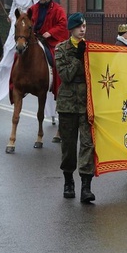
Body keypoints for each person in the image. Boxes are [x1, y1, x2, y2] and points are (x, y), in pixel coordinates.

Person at [55, 13, 95, 203]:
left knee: (87, 144)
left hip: (87, 102)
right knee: (69, 145)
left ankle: (86, 187)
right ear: (71, 29)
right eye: (79, 26)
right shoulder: (61, 49)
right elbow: (66, 76)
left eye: (84, 26)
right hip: (68, 103)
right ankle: (68, 181)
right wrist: (78, 58)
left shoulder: (92, 48)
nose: (82, 29)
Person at [27, 0, 69, 94]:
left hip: (50, 41)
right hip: (34, 39)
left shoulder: (58, 9)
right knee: (19, 55)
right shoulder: (33, 9)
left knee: (55, 59)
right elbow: (27, 22)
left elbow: (62, 24)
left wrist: (50, 33)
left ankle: (56, 84)